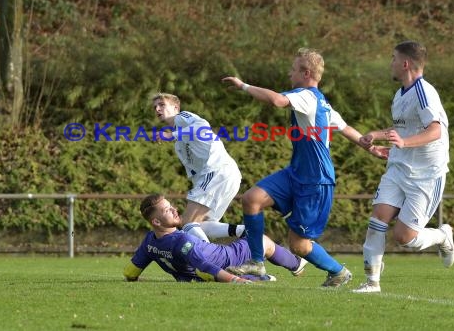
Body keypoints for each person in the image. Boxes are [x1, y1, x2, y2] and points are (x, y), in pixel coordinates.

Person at [222, 48, 388, 287]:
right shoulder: (322, 103)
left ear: (306, 73)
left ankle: (338, 271)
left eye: (293, 69)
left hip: (315, 181)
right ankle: (257, 263)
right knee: (251, 200)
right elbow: (345, 128)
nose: (290, 74)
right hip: (296, 174)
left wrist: (242, 85)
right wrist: (370, 148)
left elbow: (277, 100)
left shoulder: (307, 96)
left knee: (298, 245)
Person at [352, 41, 454, 293]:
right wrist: (377, 135)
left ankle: (442, 236)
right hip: (398, 168)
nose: (391, 63)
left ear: (405, 63)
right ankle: (372, 282)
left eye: (393, 58)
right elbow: (403, 129)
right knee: (378, 219)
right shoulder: (400, 94)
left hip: (426, 174)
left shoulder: (424, 92)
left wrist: (405, 142)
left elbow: (436, 130)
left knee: (404, 238)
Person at [123, 194, 307, 283]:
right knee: (263, 241)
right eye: (166, 210)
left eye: (171, 206)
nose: (174, 209)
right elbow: (206, 267)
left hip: (194, 275)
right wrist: (237, 281)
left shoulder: (149, 241)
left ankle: (262, 278)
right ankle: (296, 264)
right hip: (225, 257)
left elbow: (131, 273)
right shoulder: (182, 241)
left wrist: (133, 279)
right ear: (156, 221)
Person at [151, 93, 245, 242]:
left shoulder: (182, 117)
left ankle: (209, 260)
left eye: (162, 104)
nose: (157, 109)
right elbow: (195, 172)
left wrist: (172, 134)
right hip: (228, 175)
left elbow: (202, 126)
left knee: (187, 222)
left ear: (176, 107)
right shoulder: (179, 144)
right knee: (200, 225)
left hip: (218, 171)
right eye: (155, 106)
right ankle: (245, 231)